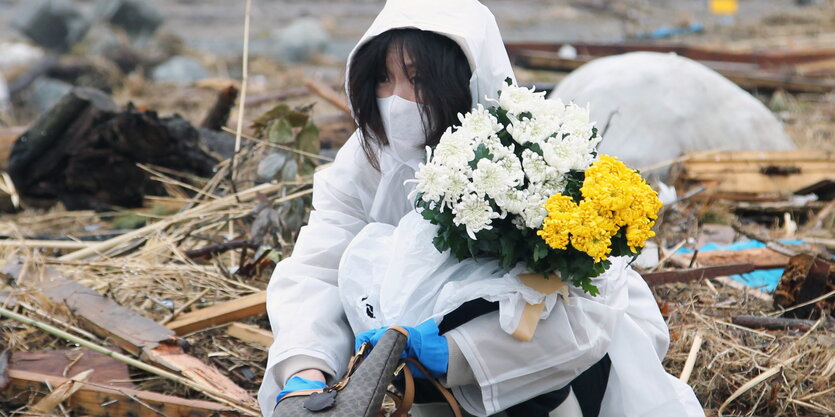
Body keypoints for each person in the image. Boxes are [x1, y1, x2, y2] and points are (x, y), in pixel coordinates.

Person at [259, 1, 705, 416]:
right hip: (414, 387)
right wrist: (305, 369)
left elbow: (586, 305)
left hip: (544, 384)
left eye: (416, 79)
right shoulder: (364, 159)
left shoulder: (531, 157)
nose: (396, 99)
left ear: (462, 78)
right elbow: (318, 264)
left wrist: (457, 349)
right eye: (383, 79)